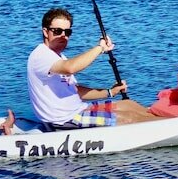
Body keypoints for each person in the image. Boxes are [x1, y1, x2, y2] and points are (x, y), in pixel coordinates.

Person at [27, 7, 163, 129]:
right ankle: (167, 126)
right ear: (46, 32)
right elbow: (70, 68)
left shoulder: (58, 56)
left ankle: (166, 119)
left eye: (67, 32)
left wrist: (110, 92)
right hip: (64, 120)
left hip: (80, 109)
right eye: (58, 31)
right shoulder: (41, 55)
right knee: (129, 118)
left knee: (129, 105)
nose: (63, 36)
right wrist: (100, 48)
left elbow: (75, 90)